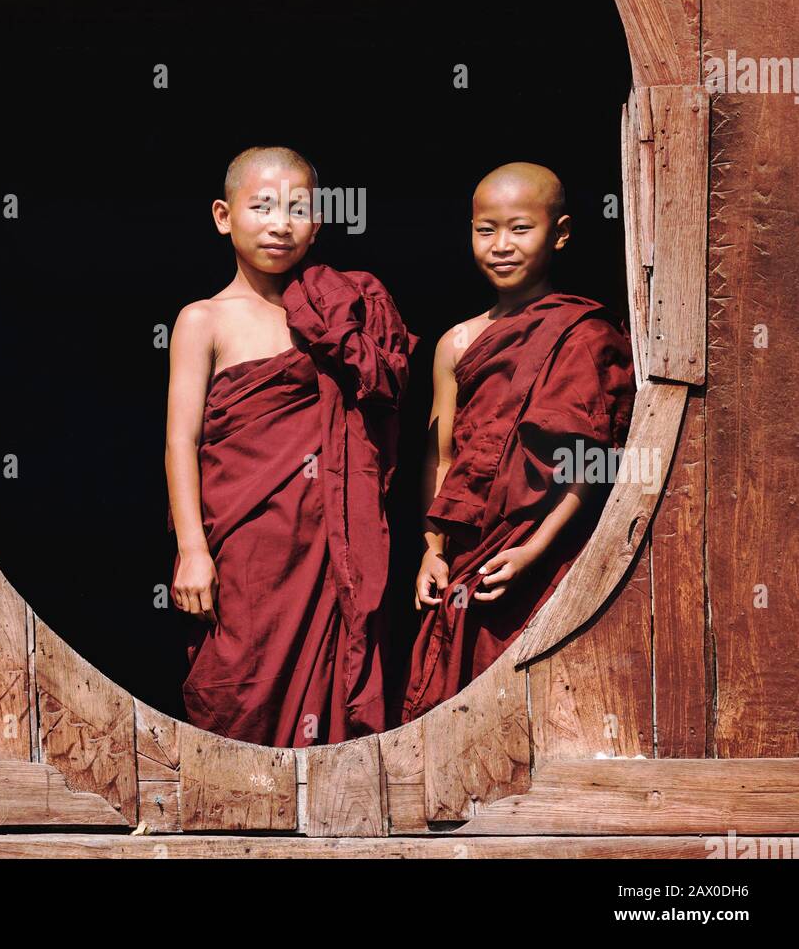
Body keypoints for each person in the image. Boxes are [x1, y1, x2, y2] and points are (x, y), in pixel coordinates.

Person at [166, 145, 416, 747]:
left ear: (318, 223)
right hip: (247, 550)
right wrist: (192, 551)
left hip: (333, 546)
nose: (281, 223)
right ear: (224, 216)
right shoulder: (204, 320)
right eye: (263, 206)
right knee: (239, 683)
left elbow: (384, 402)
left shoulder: (340, 312)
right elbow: (182, 440)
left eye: (298, 209)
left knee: (334, 689)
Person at [400, 161, 635, 724]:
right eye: (486, 230)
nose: (501, 245)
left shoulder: (584, 334)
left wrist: (535, 549)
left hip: (547, 550)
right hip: (465, 555)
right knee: (453, 701)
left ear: (561, 232)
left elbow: (591, 461)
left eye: (520, 229)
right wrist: (431, 551)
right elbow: (443, 455)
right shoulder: (456, 342)